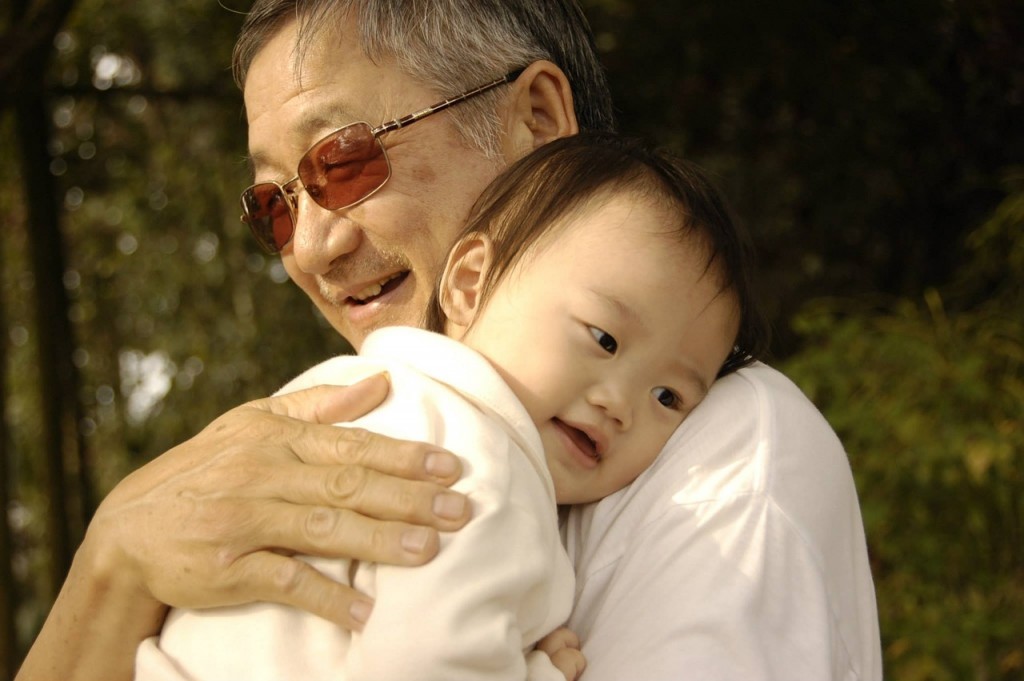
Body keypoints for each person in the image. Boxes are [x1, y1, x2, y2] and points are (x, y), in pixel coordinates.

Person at [16, 2, 882, 680]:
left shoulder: (724, 452)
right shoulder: (319, 434)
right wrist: (114, 562)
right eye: (275, 206)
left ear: (536, 119)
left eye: (343, 160)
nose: (312, 249)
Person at [134, 132, 767, 681]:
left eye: (669, 396)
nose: (621, 403)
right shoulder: (481, 463)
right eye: (603, 338)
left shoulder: (350, 392)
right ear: (468, 284)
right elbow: (426, 668)